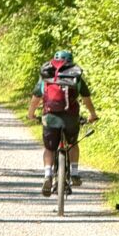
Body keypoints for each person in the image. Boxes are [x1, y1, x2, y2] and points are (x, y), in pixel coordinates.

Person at [27, 49, 98, 195]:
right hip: (71, 117)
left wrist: (31, 114)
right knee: (73, 143)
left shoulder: (47, 75)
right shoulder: (75, 76)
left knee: (49, 148)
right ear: (70, 61)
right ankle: (75, 172)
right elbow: (86, 99)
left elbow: (36, 98)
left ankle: (47, 175)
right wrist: (92, 114)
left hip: (50, 117)